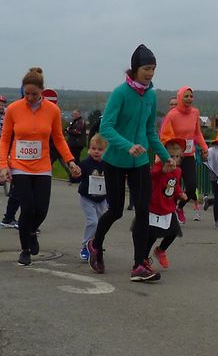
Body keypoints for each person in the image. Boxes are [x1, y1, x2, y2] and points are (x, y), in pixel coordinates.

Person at [87, 44, 170, 282]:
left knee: (143, 211)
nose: (150, 73)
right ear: (135, 69)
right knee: (115, 210)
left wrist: (166, 157)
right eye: (146, 69)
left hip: (140, 161)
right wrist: (127, 145)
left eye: (153, 69)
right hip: (116, 160)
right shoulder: (120, 93)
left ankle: (139, 264)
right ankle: (95, 245)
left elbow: (150, 131)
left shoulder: (151, 95)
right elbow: (106, 128)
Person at [0, 67, 81, 266]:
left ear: (42, 92)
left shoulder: (52, 111)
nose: (29, 98)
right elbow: (5, 139)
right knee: (27, 207)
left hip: (42, 165)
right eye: (26, 93)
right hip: (19, 165)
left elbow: (59, 138)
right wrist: (4, 165)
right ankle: (25, 249)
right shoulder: (13, 109)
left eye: (34, 94)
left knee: (41, 209)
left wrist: (70, 161)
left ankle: (31, 231)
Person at [160, 87, 209, 223]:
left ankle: (179, 207)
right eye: (186, 96)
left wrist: (205, 147)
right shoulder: (172, 115)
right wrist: (172, 150)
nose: (189, 99)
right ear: (180, 97)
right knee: (173, 185)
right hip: (175, 156)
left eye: (191, 96)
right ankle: (170, 213)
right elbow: (164, 136)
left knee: (192, 187)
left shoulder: (195, 112)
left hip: (188, 155)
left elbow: (197, 133)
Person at [147, 138, 187, 273]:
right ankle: (144, 258)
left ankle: (161, 250)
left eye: (177, 157)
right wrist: (162, 171)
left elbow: (175, 184)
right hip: (155, 205)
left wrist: (180, 193)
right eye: (171, 157)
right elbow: (151, 176)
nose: (174, 160)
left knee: (174, 231)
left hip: (168, 206)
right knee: (152, 235)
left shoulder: (178, 171)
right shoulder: (158, 167)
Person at [77, 134, 109, 261]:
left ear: (105, 151)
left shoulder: (108, 165)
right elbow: (77, 177)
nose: (96, 152)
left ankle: (95, 244)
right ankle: (85, 246)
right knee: (93, 221)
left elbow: (111, 182)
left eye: (100, 150)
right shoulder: (85, 164)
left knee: (101, 223)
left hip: (102, 199)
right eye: (93, 148)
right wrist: (75, 174)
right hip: (87, 198)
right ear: (89, 149)